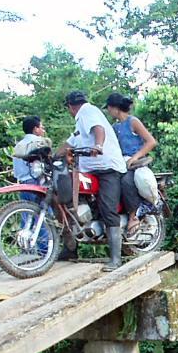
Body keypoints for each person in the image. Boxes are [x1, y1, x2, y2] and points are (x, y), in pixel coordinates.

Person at [60, 90, 127, 271]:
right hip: (89, 169)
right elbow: (69, 143)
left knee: (108, 208)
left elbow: (99, 129)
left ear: (70, 107)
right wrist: (51, 156)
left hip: (107, 168)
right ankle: (70, 249)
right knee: (68, 202)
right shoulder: (79, 123)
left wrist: (98, 145)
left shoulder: (88, 112)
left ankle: (115, 259)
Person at [104, 92, 158, 236]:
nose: (108, 111)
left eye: (109, 108)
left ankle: (133, 215)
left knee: (127, 181)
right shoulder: (114, 127)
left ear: (115, 108)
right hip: (120, 162)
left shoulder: (132, 122)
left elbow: (151, 142)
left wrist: (135, 157)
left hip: (136, 163)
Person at [12, 116, 50, 253]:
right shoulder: (40, 142)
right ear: (35, 129)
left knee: (26, 216)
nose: (43, 129)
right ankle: (45, 250)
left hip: (23, 184)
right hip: (38, 184)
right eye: (41, 127)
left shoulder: (19, 145)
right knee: (44, 216)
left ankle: (25, 250)